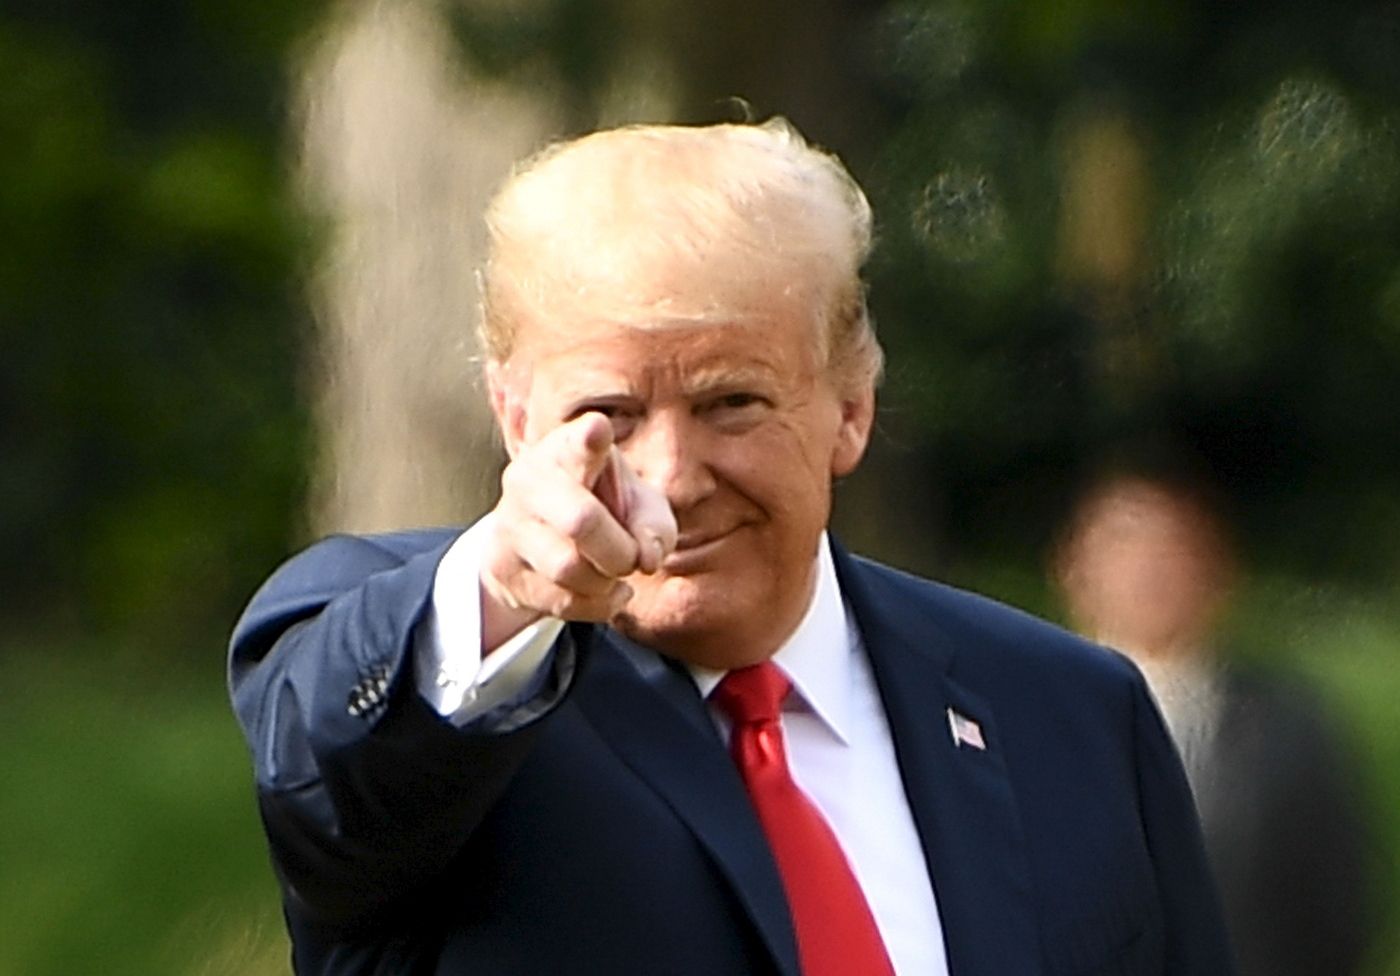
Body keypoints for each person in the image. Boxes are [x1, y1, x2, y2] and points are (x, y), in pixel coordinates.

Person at [229, 119, 1235, 975]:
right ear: (514, 415)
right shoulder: (445, 682)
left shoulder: (1066, 712)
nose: (668, 476)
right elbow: (329, 777)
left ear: (850, 405)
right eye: (608, 412)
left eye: (730, 403)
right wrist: (505, 586)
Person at [1054, 460, 1381, 976]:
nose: (1148, 570)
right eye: (1124, 546)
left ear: (1216, 569)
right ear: (1074, 570)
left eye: (1171, 548)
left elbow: (1339, 912)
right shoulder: (1023, 721)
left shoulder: (1290, 730)